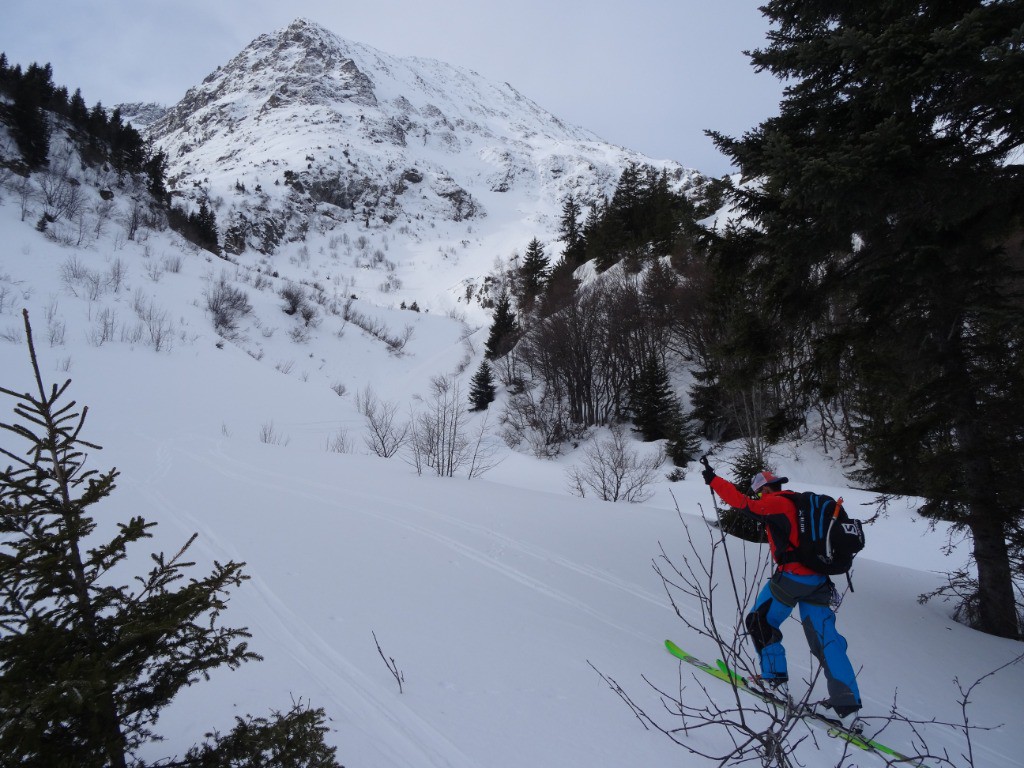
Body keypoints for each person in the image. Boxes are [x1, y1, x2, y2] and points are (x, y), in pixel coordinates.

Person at [701, 463, 862, 729]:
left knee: (759, 620)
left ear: (765, 489)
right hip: (819, 580)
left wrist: (714, 480)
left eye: (760, 492)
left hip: (792, 578)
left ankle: (774, 680)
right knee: (827, 639)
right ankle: (847, 705)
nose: (760, 496)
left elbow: (742, 504)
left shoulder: (775, 503)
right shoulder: (801, 503)